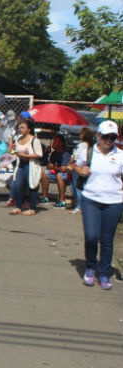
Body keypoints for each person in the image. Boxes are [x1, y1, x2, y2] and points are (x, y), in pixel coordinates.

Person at [74, 120, 123, 290]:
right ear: (98, 135)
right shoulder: (88, 152)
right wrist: (80, 171)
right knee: (92, 236)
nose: (108, 140)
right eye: (105, 136)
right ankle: (90, 267)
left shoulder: (120, 155)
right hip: (91, 200)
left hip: (114, 202)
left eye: (112, 137)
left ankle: (103, 273)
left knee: (107, 239)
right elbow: (75, 166)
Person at [8, 119, 43, 216]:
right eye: (19, 127)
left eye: (23, 127)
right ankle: (18, 206)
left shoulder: (34, 140)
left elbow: (39, 154)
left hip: (30, 165)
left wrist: (26, 155)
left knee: (32, 185)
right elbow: (15, 151)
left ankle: (32, 208)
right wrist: (11, 156)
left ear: (29, 129)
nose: (20, 129)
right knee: (17, 185)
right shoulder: (18, 139)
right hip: (21, 165)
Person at [39, 134, 71, 208]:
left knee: (59, 175)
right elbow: (48, 167)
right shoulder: (54, 153)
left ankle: (62, 201)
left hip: (67, 175)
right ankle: (45, 197)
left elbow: (63, 169)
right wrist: (47, 153)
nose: (54, 143)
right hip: (57, 172)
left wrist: (55, 167)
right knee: (45, 173)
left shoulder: (65, 154)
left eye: (56, 141)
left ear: (61, 143)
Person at [69, 127, 94, 214]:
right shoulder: (91, 146)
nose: (79, 135)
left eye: (81, 133)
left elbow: (74, 157)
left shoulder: (81, 145)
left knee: (77, 186)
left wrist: (69, 163)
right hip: (85, 167)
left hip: (78, 167)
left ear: (84, 135)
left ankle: (79, 206)